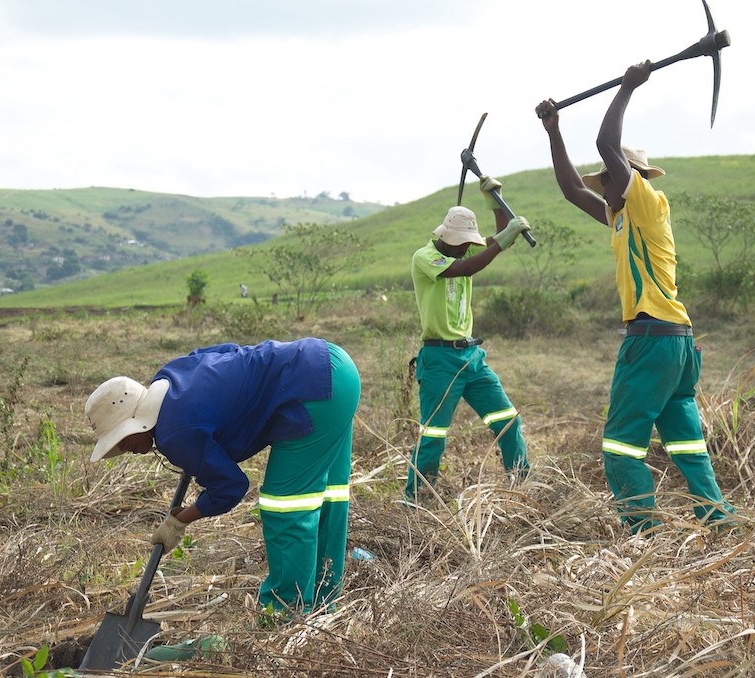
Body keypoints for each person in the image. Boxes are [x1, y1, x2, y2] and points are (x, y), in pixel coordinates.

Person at [535, 60, 735, 534]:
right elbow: (569, 189)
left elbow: (607, 145)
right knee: (685, 441)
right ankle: (720, 520)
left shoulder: (645, 201)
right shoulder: (621, 218)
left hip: (651, 340)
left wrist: (627, 87)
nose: (601, 186)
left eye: (607, 178)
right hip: (676, 343)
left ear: (626, 176)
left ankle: (642, 533)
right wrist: (553, 130)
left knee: (621, 447)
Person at [84, 337, 360, 616]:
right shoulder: (170, 375)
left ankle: (284, 613)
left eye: (121, 440)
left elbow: (232, 487)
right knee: (329, 497)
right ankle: (325, 604)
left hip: (312, 393)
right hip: (333, 365)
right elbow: (227, 351)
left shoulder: (173, 434)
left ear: (135, 423)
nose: (123, 450)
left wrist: (180, 520)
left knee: (286, 508)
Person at [406, 180, 532, 503]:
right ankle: (416, 500)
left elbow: (489, 245)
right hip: (439, 360)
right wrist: (503, 241)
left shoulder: (462, 251)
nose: (465, 248)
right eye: (461, 243)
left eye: (468, 244)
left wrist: (495, 202)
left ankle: (523, 487)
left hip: (472, 358)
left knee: (507, 421)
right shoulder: (425, 258)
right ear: (444, 237)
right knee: (433, 436)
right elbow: (465, 267)